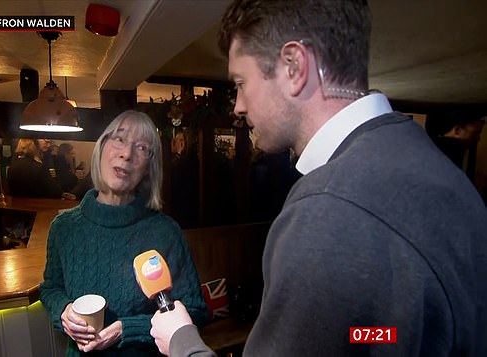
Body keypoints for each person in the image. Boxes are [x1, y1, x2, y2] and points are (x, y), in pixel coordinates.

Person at [150, 1, 487, 356]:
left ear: (294, 67)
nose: (238, 105)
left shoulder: (326, 211)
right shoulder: (437, 167)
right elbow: (384, 334)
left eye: (241, 83)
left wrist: (182, 341)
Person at [40, 110, 208, 356]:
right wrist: (63, 311)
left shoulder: (165, 232)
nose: (127, 154)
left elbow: (194, 310)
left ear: (149, 168)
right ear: (102, 146)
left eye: (141, 148)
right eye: (119, 139)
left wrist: (128, 329)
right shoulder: (64, 228)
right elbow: (51, 288)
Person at [425, 112, 485, 178]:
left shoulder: (427, 148)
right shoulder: (452, 157)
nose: (478, 138)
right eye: (475, 133)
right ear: (457, 130)